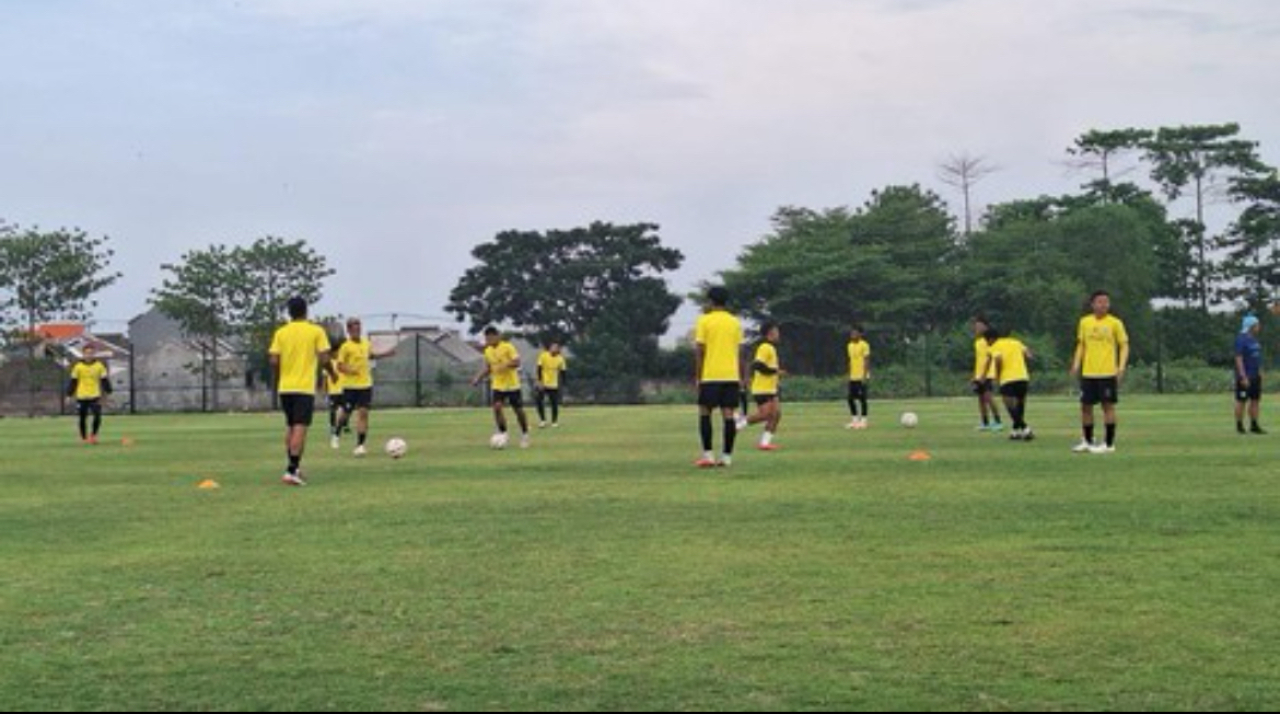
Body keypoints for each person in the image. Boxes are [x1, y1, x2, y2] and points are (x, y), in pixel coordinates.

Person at [269, 297, 332, 486]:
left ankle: (294, 468)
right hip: (303, 388)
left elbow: (273, 360)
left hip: (285, 387)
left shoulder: (281, 332)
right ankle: (290, 471)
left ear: (289, 312)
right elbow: (324, 357)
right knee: (300, 427)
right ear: (306, 311)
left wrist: (282, 374)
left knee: (291, 426)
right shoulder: (316, 331)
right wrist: (332, 373)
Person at [1070, 291, 1130, 454]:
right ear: (1092, 304)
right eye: (1100, 302)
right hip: (1089, 372)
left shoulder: (1115, 323)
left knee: (1107, 406)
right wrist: (1076, 363)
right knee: (1085, 407)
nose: (1103, 305)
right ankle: (1088, 441)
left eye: (1106, 302)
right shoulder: (1084, 322)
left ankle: (1109, 444)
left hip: (1107, 372)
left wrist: (1121, 367)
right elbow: (1081, 345)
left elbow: (1124, 345)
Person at [695, 287, 745, 468]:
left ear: (710, 301)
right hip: (731, 376)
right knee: (728, 415)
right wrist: (741, 377)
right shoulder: (735, 322)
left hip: (710, 375)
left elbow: (700, 351)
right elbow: (740, 352)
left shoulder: (704, 321)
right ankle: (727, 457)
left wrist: (697, 377)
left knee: (704, 412)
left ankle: (708, 455)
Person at [332, 318, 396, 457]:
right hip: (350, 386)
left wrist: (387, 353)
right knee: (346, 413)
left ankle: (360, 445)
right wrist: (350, 370)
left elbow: (371, 356)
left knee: (363, 414)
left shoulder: (366, 343)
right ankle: (336, 432)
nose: (357, 331)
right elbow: (339, 365)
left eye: (359, 328)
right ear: (349, 330)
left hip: (365, 385)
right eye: (354, 329)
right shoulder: (345, 347)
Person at [472, 327, 531, 449]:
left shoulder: (508, 347)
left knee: (518, 411)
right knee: (497, 408)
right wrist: (478, 377)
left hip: (512, 385)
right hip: (498, 385)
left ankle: (525, 434)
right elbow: (489, 368)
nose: (488, 340)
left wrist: (507, 364)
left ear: (497, 336)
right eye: (487, 338)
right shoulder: (487, 351)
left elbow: (517, 362)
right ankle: (503, 433)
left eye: (491, 337)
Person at [740, 323, 784, 451]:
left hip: (770, 388)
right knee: (765, 415)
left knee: (776, 414)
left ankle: (764, 443)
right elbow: (757, 365)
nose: (778, 334)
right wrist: (775, 371)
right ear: (770, 333)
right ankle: (738, 424)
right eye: (776, 331)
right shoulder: (765, 347)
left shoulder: (771, 348)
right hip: (762, 388)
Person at [985, 329, 1034, 441]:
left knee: (1010, 406)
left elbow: (998, 360)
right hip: (1023, 377)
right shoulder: (1016, 342)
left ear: (991, 339)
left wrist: (997, 375)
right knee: (1020, 406)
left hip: (1007, 379)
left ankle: (1026, 428)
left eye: (987, 341)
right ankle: (1015, 432)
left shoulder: (995, 346)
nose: (987, 344)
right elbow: (1029, 355)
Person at [68, 345, 111, 445]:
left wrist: (108, 391)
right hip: (81, 396)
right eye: (87, 353)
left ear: (94, 354)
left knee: (97, 416)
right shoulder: (78, 367)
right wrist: (69, 394)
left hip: (94, 395)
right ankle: (83, 437)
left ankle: (93, 436)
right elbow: (73, 382)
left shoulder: (99, 366)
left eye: (91, 353)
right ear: (83, 354)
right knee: (82, 418)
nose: (89, 355)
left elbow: (104, 380)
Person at [972, 315, 1005, 433]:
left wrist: (989, 374)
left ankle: (998, 422)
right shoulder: (977, 342)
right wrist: (975, 375)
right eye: (975, 326)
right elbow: (978, 360)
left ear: (985, 326)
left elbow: (993, 357)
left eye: (979, 326)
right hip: (978, 374)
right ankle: (985, 423)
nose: (976, 328)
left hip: (988, 374)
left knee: (989, 398)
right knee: (981, 399)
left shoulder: (991, 340)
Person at [1234, 314, 1266, 435]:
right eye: (1257, 325)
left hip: (1255, 376)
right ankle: (1239, 426)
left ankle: (1254, 425)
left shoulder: (1254, 340)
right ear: (1251, 326)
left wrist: (1260, 371)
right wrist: (1243, 376)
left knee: (1255, 400)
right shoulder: (1241, 339)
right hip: (1245, 376)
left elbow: (1257, 358)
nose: (1259, 327)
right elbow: (1239, 358)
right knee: (1241, 400)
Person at [535, 343, 568, 429]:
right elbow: (539, 368)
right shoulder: (543, 356)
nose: (554, 349)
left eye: (556, 348)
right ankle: (542, 421)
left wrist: (563, 385)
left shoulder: (560, 359)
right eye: (553, 347)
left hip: (553, 384)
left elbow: (563, 372)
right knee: (539, 401)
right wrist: (539, 381)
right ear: (550, 348)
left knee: (554, 403)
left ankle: (554, 422)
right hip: (543, 383)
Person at [846, 325, 872, 430]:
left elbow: (866, 360)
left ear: (860, 334)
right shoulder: (849, 345)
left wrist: (865, 375)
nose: (853, 335)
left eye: (855, 333)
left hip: (861, 376)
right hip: (853, 376)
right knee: (850, 399)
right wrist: (848, 374)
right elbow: (850, 360)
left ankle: (864, 421)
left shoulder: (864, 345)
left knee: (862, 398)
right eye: (852, 333)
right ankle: (855, 420)